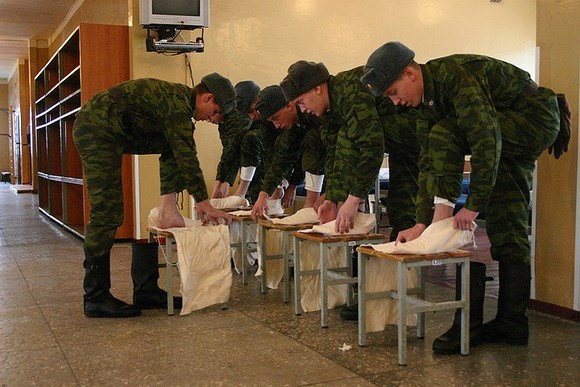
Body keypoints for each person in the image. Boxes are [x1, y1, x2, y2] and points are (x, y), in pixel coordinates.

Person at [362, 41, 564, 354]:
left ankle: (444, 232)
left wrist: (472, 205)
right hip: (509, 125)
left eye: (392, 92)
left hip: (534, 119)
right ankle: (512, 323)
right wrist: (420, 222)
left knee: (448, 130)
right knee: (507, 221)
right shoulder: (427, 102)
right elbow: (429, 159)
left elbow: (486, 139)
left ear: (409, 74)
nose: (396, 102)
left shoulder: (455, 76)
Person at [73, 74, 235, 318]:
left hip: (117, 129)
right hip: (97, 129)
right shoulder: (176, 105)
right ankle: (95, 296)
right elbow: (186, 158)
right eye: (215, 112)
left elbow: (179, 149)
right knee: (107, 212)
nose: (212, 120)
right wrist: (205, 205)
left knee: (175, 141)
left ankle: (146, 290)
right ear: (207, 97)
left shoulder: (180, 105)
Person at [280, 61, 419, 237]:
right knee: (401, 213)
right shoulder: (330, 108)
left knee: (405, 208)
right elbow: (334, 151)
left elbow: (371, 146)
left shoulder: (349, 92)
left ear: (317, 89)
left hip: (416, 131)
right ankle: (401, 243)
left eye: (301, 102)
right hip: (401, 144)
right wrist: (332, 197)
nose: (303, 109)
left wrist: (353, 199)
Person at [250, 85, 317, 220]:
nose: (277, 125)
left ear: (289, 106)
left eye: (276, 118)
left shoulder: (314, 115)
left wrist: (328, 197)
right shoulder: (294, 126)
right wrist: (263, 195)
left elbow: (321, 154)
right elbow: (282, 159)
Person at [211, 80, 260, 199]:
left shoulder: (237, 118)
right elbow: (231, 151)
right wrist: (224, 181)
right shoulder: (224, 121)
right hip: (250, 164)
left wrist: (223, 182)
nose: (209, 119)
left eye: (212, 114)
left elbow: (233, 147)